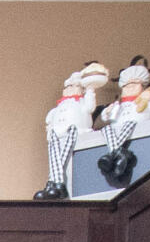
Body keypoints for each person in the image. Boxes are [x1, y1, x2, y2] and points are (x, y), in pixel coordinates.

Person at [37, 64, 107, 199]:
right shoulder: (59, 106)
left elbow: (90, 107)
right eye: (68, 87)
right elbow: (49, 118)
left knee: (65, 160)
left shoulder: (81, 102)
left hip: (74, 134)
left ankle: (56, 184)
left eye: (73, 87)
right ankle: (56, 184)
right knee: (56, 158)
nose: (69, 90)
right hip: (56, 137)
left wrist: (90, 89)